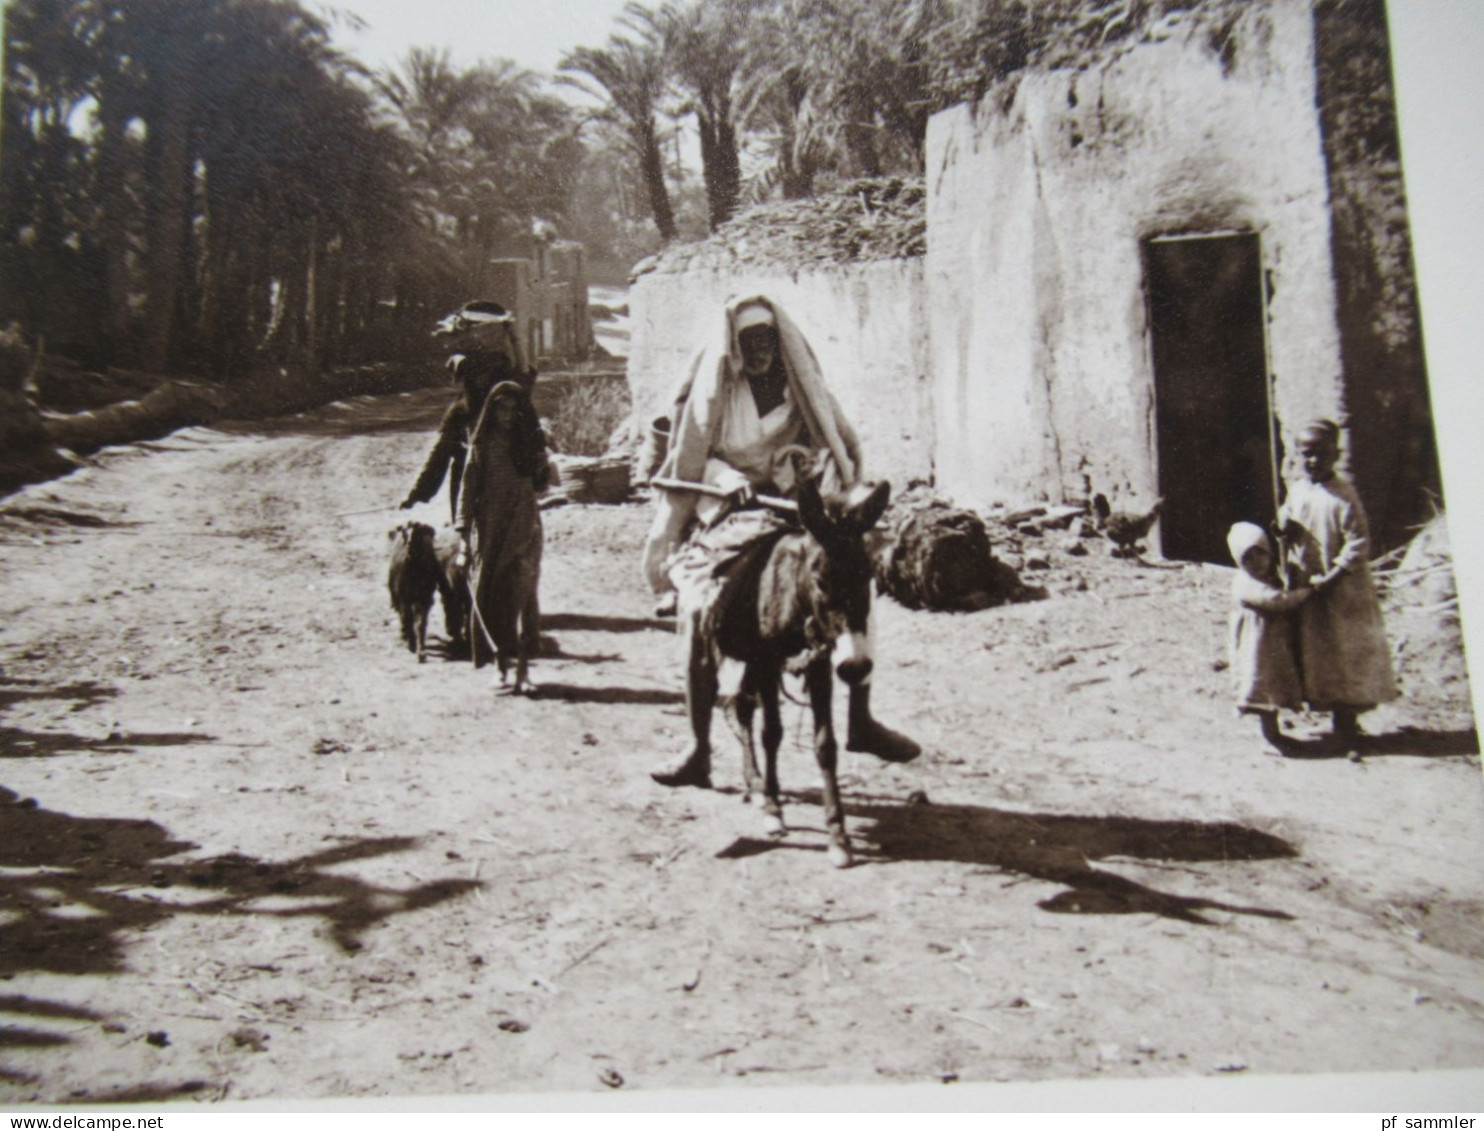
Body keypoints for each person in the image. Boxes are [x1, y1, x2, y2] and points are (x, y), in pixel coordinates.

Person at [642, 294, 918, 787]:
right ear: (736, 345)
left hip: (799, 507)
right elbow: (695, 456)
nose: (760, 350)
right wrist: (729, 481)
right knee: (699, 605)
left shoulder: (799, 388)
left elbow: (829, 442)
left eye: (767, 339)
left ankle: (860, 720)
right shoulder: (721, 395)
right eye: (750, 341)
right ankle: (698, 748)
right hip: (733, 510)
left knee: (850, 581)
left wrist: (810, 476)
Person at [1278, 419, 1399, 760]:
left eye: (1321, 454)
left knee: (1344, 652)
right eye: (1307, 455)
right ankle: (1332, 718)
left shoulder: (1344, 496)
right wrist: (1282, 528)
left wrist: (1332, 578)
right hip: (1308, 585)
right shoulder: (1299, 490)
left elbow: (1358, 544)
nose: (1313, 461)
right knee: (1319, 652)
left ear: (1337, 455)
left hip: (1342, 591)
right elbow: (1288, 520)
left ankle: (1346, 725)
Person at [401, 301, 540, 523]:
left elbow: (460, 364)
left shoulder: (486, 360)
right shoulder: (508, 354)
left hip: (479, 416)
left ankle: (425, 496)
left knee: (448, 445)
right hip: (505, 418)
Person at [456, 379, 550, 694]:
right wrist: (462, 535)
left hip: (525, 527)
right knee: (492, 598)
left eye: (514, 409)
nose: (508, 415)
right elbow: (467, 492)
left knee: (522, 596)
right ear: (491, 409)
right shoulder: (480, 445)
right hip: (490, 531)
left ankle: (524, 669)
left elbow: (542, 486)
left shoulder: (528, 444)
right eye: (501, 408)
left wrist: (543, 461)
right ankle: (499, 665)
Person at [1227, 521, 1313, 757]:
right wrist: (1304, 594)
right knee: (1263, 691)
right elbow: (1275, 601)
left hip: (1269, 646)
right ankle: (1271, 739)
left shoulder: (1268, 577)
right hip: (1256, 648)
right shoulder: (1245, 583)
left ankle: (1276, 735)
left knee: (1272, 689)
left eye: (1261, 555)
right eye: (1248, 559)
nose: (1257, 563)